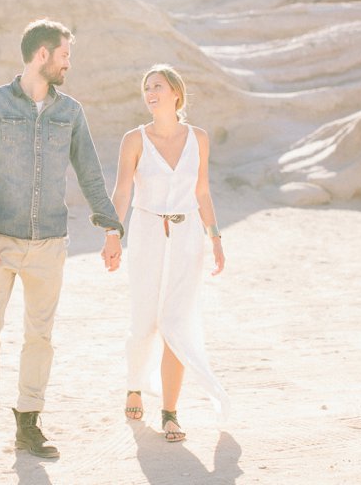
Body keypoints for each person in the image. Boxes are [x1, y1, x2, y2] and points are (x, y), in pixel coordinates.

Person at [0, 19, 124, 461]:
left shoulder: (70, 111)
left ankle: (29, 423)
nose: (69, 63)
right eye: (65, 54)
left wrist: (110, 227)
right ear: (43, 55)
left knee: (40, 338)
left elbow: (89, 172)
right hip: (0, 240)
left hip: (49, 242)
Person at [110, 64, 229, 442]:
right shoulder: (134, 139)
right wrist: (113, 234)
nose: (150, 93)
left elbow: (203, 192)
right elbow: (123, 192)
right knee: (144, 319)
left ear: (176, 92)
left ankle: (170, 411)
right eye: (146, 88)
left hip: (188, 234)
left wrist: (216, 238)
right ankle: (134, 385)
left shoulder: (199, 138)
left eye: (157, 86)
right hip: (146, 232)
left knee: (176, 322)